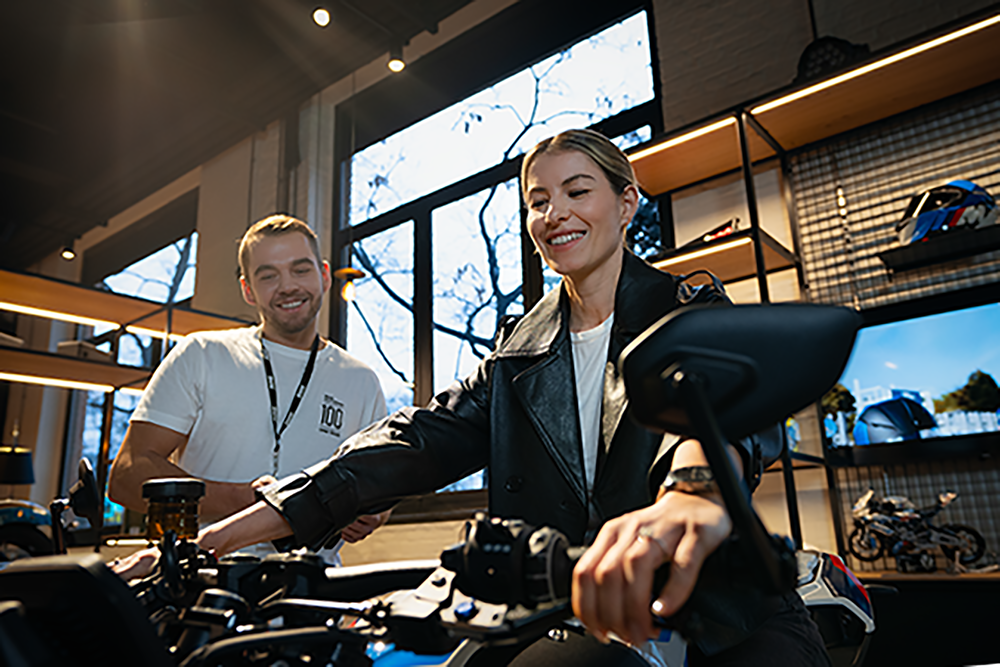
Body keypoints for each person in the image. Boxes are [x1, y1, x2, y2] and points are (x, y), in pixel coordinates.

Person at [193, 131, 830, 665]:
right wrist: (217, 539)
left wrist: (692, 496)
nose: (556, 214)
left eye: (578, 191)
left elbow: (712, 416)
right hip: (578, 616)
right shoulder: (516, 354)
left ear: (627, 201)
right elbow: (409, 444)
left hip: (721, 610)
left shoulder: (689, 313)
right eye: (538, 201)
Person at [108, 214, 391, 561]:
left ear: (324, 275)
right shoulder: (201, 354)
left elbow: (379, 489)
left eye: (300, 270)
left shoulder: (361, 380)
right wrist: (249, 499)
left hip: (311, 586)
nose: (288, 286)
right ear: (247, 290)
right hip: (202, 576)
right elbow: (126, 475)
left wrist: (372, 513)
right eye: (268, 275)